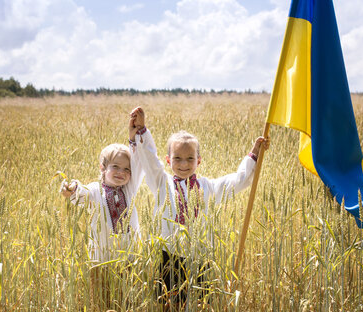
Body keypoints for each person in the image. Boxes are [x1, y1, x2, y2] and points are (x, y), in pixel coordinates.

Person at [128, 106, 269, 308]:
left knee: (201, 305)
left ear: (199, 161)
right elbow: (150, 160)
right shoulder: (161, 183)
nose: (183, 164)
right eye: (177, 158)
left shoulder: (208, 187)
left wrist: (255, 154)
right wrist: (142, 130)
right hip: (169, 260)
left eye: (190, 159)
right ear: (168, 160)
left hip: (200, 259)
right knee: (169, 305)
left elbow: (237, 181)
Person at [59, 116, 145, 309]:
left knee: (127, 299)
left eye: (126, 169)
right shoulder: (95, 190)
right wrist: (71, 188)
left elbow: (140, 164)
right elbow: (79, 191)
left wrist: (133, 138)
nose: (121, 172)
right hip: (101, 260)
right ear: (102, 168)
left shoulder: (129, 190)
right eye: (115, 167)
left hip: (128, 257)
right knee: (102, 301)